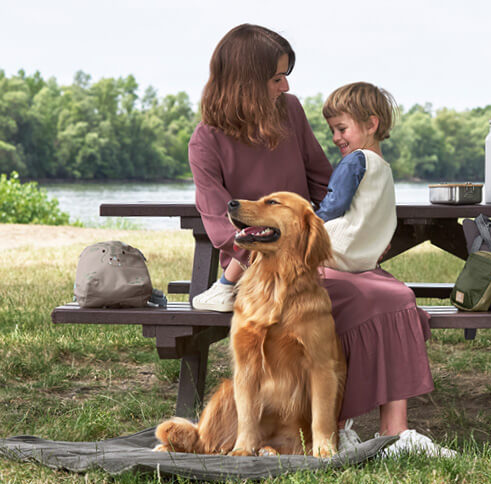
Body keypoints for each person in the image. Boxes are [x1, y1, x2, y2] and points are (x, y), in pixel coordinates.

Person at [188, 23, 455, 458]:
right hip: (263, 273)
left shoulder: (288, 111)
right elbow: (223, 226)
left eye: (284, 75)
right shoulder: (206, 142)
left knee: (394, 294)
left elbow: (321, 183)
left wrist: (355, 226)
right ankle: (338, 430)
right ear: (246, 82)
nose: (286, 85)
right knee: (371, 298)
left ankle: (395, 435)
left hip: (316, 254)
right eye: (276, 77)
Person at [315, 82, 396, 273]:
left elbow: (334, 205)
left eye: (341, 129)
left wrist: (308, 225)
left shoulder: (356, 160)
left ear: (370, 125)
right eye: (332, 131)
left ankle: (230, 283)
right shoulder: (384, 168)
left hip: (337, 249)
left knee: (276, 236)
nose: (335, 138)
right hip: (367, 256)